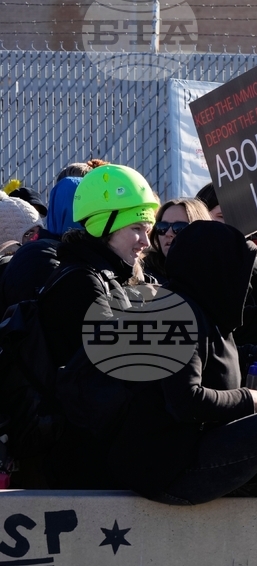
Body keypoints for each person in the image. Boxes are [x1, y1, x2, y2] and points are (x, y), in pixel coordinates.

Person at [113, 220, 257, 504]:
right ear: (217, 272)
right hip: (171, 472)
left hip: (195, 449)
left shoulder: (207, 308)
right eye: (241, 275)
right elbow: (184, 401)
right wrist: (248, 399)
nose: (244, 285)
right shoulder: (174, 316)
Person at [36, 164, 159, 489]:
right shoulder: (82, 282)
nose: (146, 241)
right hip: (81, 457)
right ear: (105, 225)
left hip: (94, 446)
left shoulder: (108, 276)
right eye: (136, 228)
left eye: (148, 229)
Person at [144, 198, 212, 283]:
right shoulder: (144, 277)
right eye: (162, 227)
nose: (168, 233)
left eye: (179, 227)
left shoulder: (217, 276)